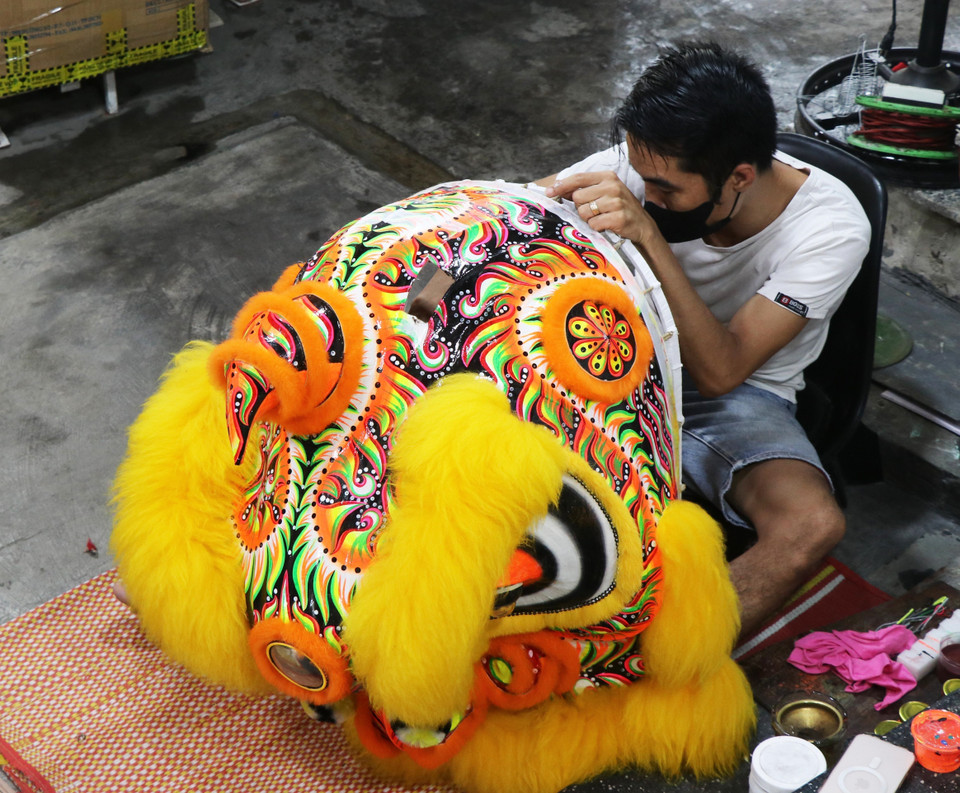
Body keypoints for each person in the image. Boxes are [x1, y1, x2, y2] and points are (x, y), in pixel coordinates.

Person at [536, 41, 871, 637]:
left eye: (666, 192)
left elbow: (725, 369)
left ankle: (675, 658)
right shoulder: (648, 166)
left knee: (812, 526)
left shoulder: (831, 227)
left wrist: (649, 236)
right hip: (618, 351)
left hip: (735, 391)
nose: (651, 197)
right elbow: (521, 212)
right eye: (644, 182)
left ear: (739, 176)